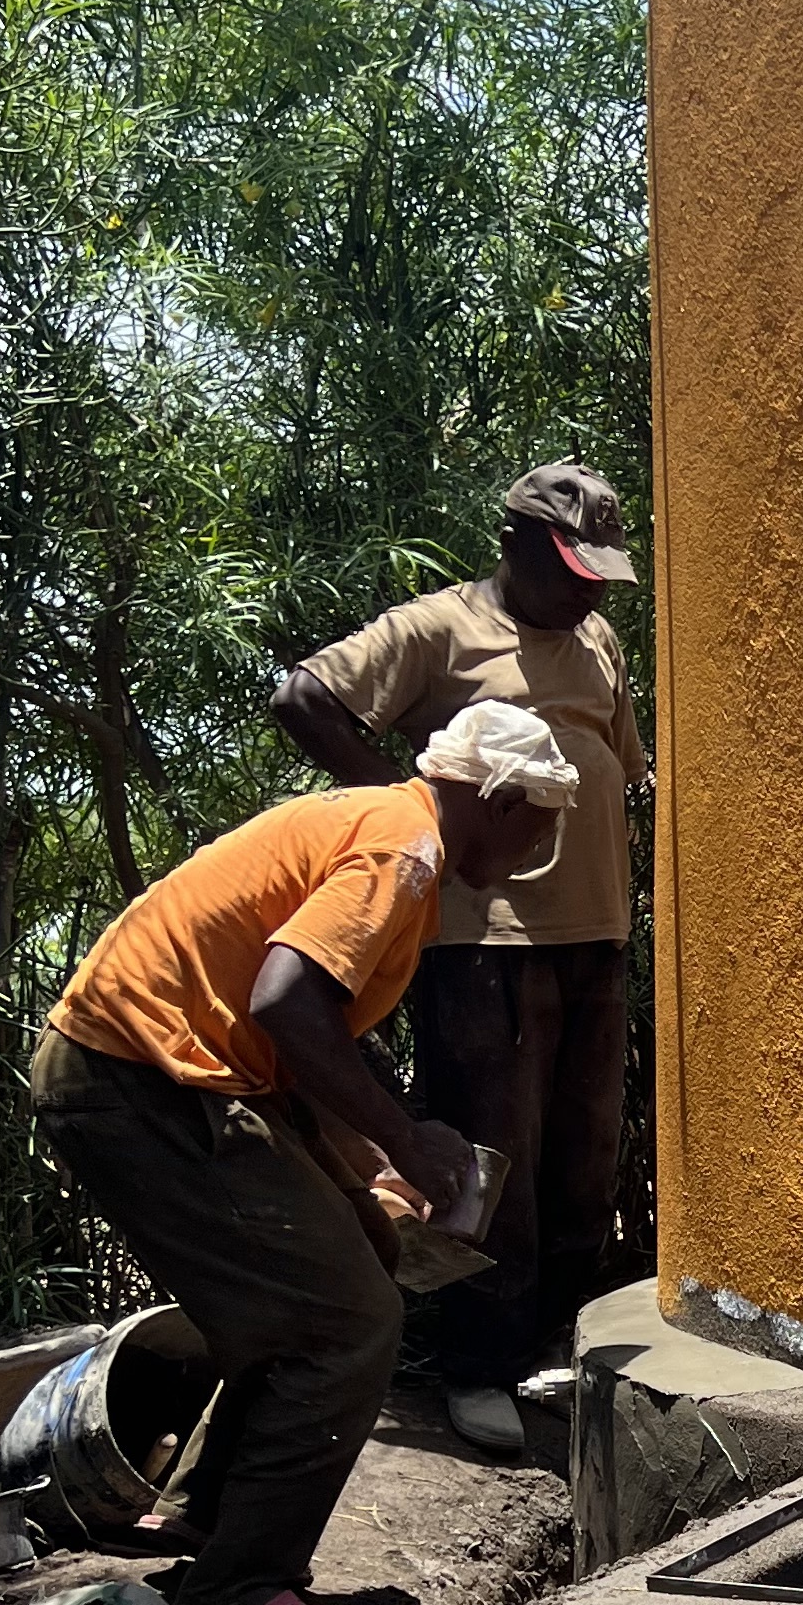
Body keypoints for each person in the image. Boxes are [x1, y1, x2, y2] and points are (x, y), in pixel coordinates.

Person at [30, 711, 582, 1605]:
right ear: (497, 801)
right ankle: (238, 1589)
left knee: (353, 1264)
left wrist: (369, 1169)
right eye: (541, 822)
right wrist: (403, 1136)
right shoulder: (404, 847)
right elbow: (285, 999)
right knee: (348, 1320)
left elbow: (291, 1037)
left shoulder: (386, 830)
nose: (543, 844)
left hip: (160, 1073)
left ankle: (211, 1521)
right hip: (138, 1077)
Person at [273, 460, 652, 1454]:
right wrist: (409, 813)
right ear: (517, 544)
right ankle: (477, 1367)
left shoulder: (599, 640)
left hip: (595, 935)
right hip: (486, 942)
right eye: (570, 569)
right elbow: (305, 696)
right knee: (494, 1163)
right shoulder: (439, 629)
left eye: (597, 575)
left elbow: (626, 768)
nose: (584, 591)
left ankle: (560, 1359)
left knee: (581, 1163)